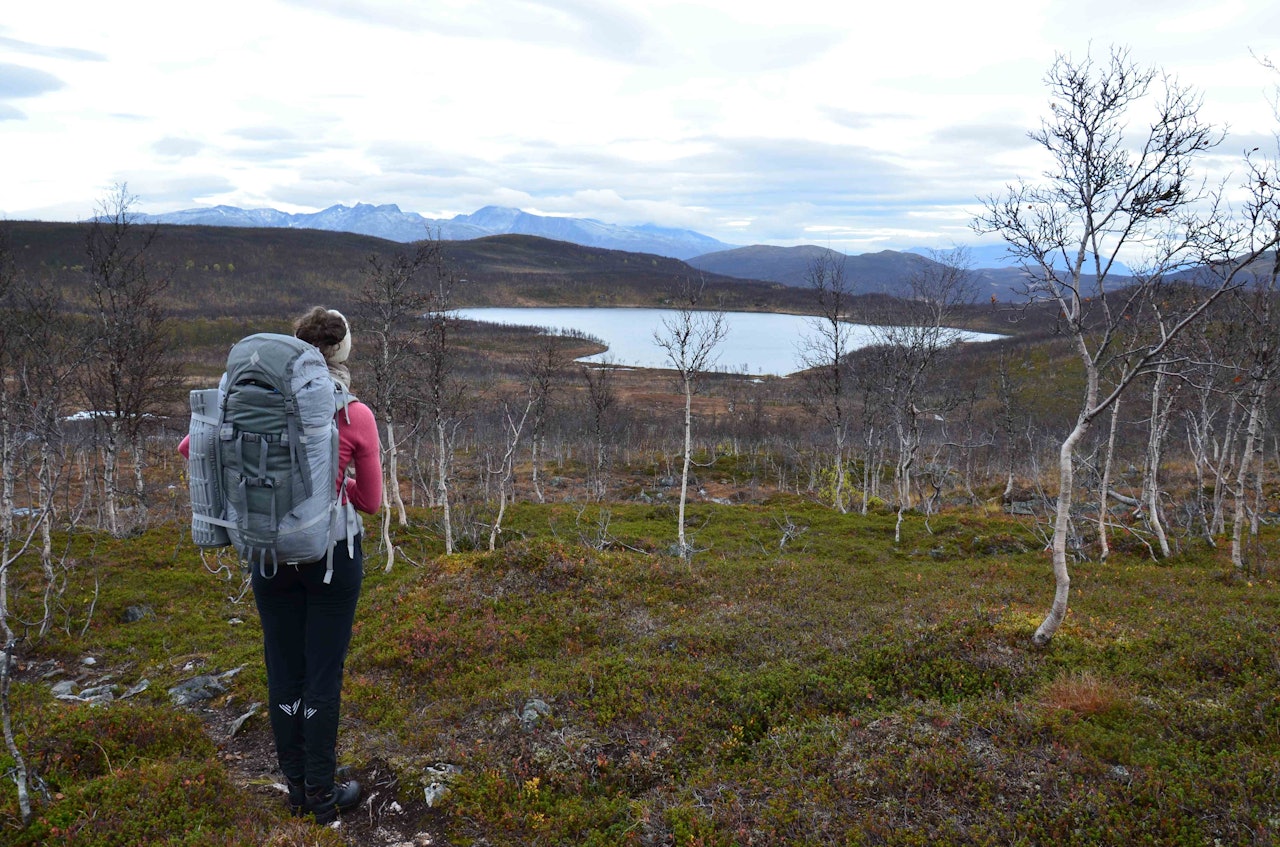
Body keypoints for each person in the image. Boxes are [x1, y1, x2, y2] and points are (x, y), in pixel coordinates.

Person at [180, 307, 382, 824]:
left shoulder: (249, 403)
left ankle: (295, 789)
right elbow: (371, 502)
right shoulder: (353, 414)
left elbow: (190, 447)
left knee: (283, 672)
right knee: (322, 677)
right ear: (342, 351)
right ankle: (322, 795)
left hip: (267, 554)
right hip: (332, 557)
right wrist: (336, 485)